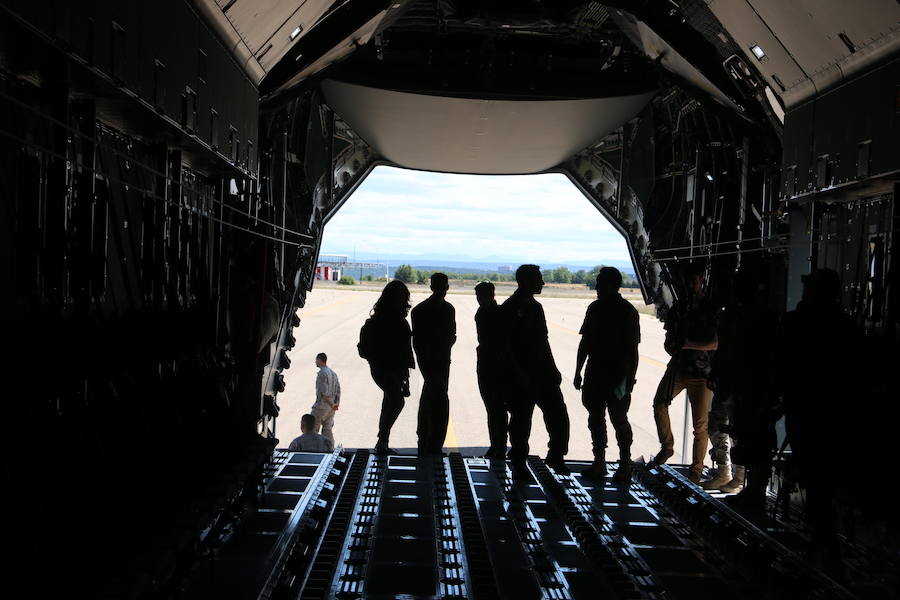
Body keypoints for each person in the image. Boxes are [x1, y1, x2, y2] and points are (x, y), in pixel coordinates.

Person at [649, 262, 719, 484]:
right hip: (679, 366)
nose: (691, 285)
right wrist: (674, 347)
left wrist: (688, 345)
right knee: (660, 403)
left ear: (701, 282)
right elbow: (670, 338)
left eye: (695, 280)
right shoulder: (679, 309)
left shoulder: (710, 309)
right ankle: (667, 447)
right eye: (688, 281)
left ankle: (696, 470)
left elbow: (715, 343)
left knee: (701, 425)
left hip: (701, 372)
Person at [500, 264, 570, 475]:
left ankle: (556, 456)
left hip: (541, 372)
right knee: (522, 421)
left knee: (558, 415)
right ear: (526, 281)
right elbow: (505, 346)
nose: (542, 283)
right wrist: (517, 373)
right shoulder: (510, 308)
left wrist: (552, 368)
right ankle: (520, 461)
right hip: (522, 375)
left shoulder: (534, 307)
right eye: (538, 278)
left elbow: (543, 341)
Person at [574, 267, 640, 482]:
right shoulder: (596, 308)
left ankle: (624, 464)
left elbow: (632, 349)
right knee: (597, 419)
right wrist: (578, 371)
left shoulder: (626, 311)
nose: (597, 287)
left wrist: (629, 379)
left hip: (615, 374)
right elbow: (585, 343)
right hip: (598, 372)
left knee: (617, 419)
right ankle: (601, 463)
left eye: (600, 282)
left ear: (612, 285)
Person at [359, 280, 415, 454]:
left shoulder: (392, 321)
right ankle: (382, 438)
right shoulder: (392, 322)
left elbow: (405, 350)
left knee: (389, 401)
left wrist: (405, 376)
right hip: (384, 368)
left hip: (391, 369)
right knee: (396, 401)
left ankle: (382, 441)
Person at [411, 273, 457, 454]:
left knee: (429, 399)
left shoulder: (419, 310)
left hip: (435, 361)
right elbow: (451, 336)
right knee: (439, 401)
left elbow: (418, 342)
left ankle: (425, 440)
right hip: (438, 361)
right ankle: (434, 442)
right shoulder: (448, 309)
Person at [474, 281, 507, 458]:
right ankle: (497, 444)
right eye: (478, 296)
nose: (479, 299)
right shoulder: (485, 312)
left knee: (496, 408)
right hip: (487, 362)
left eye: (482, 295)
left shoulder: (493, 313)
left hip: (494, 364)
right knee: (493, 408)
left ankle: (499, 446)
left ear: (492, 295)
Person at [310, 352, 341, 445]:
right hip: (331, 409)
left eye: (316, 359)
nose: (315, 361)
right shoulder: (333, 373)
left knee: (312, 430)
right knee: (327, 430)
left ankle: (311, 449)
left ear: (320, 360)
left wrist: (331, 403)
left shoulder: (322, 374)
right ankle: (330, 448)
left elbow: (324, 392)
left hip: (321, 406)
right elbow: (338, 390)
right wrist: (335, 404)